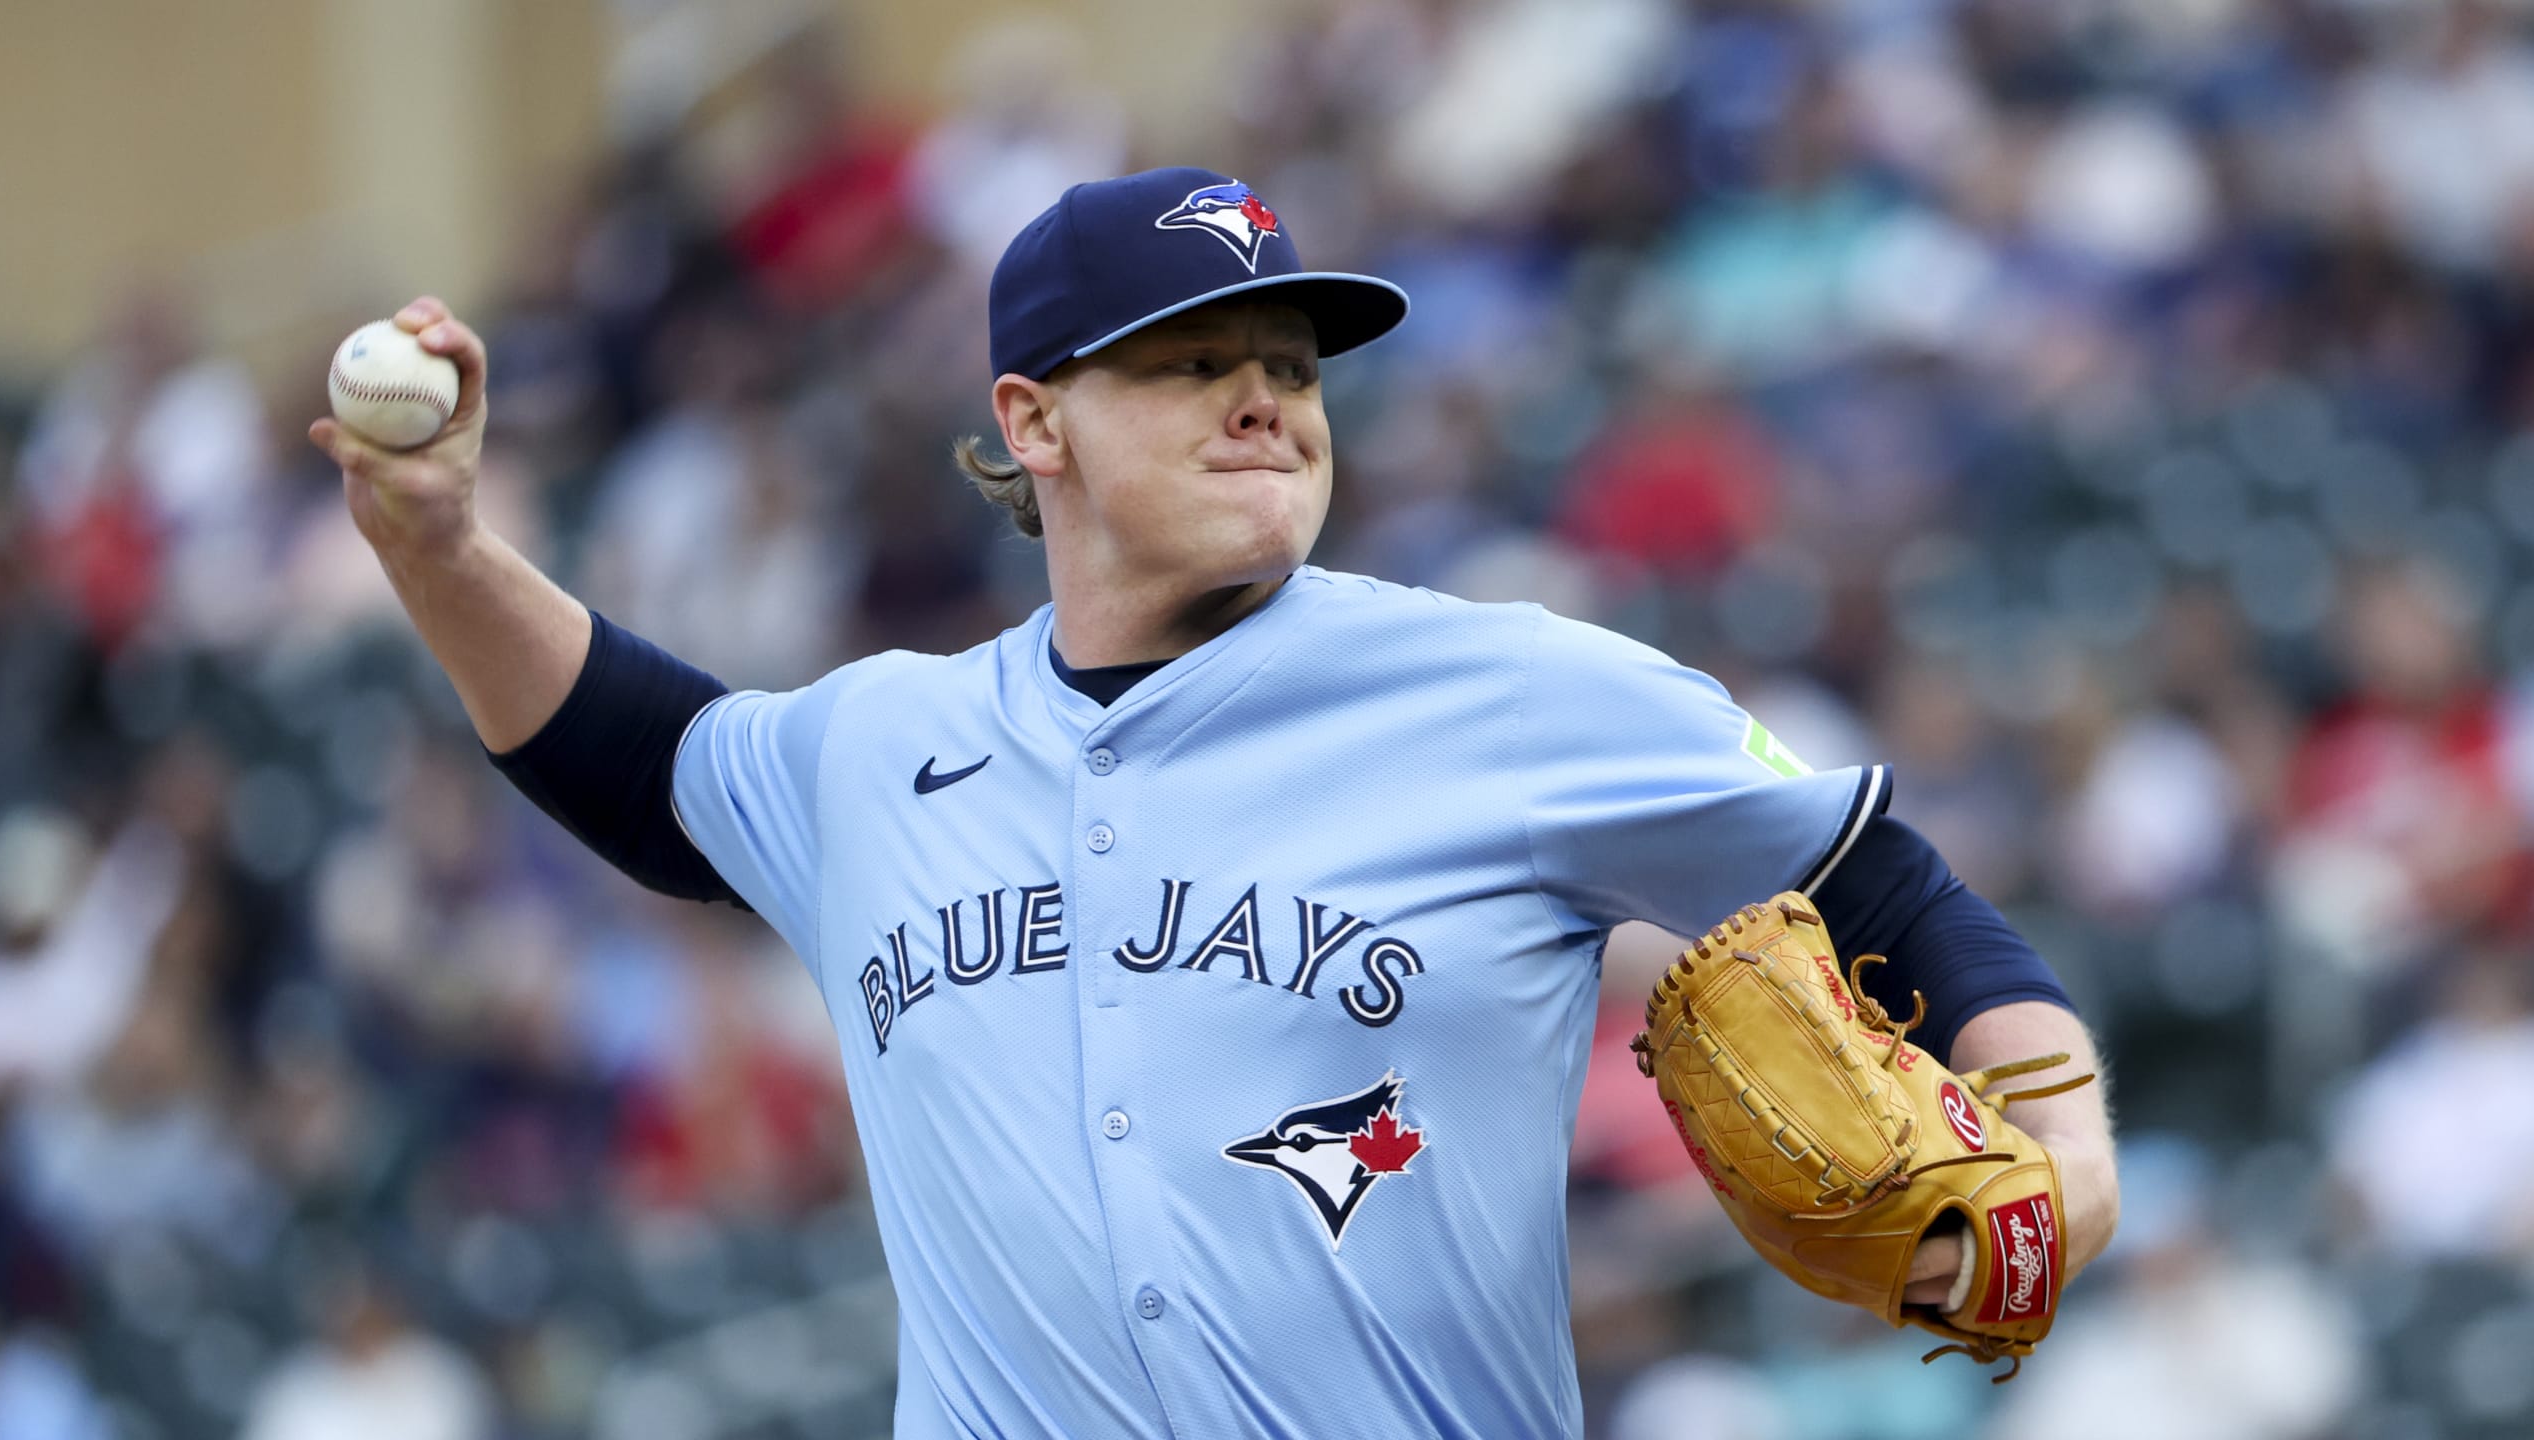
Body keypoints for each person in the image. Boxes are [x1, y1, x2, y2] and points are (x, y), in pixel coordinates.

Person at [310, 167, 2119, 1438]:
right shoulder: (880, 748)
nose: (1266, 404)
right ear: (1035, 422)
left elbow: (1892, 891)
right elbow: (638, 758)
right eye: (1192, 363)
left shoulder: (1513, 693)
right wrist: (442, 546)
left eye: (1293, 367)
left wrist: (2068, 1161)